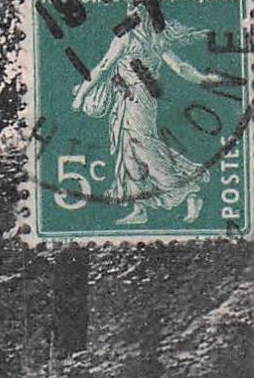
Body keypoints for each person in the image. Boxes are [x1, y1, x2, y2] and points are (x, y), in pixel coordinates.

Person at [72, 22, 213, 226]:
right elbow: (180, 67)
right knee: (128, 149)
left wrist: (81, 95)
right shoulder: (157, 38)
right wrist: (203, 78)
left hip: (135, 99)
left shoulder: (127, 37)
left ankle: (187, 190)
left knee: (143, 147)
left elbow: (103, 66)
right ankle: (140, 207)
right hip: (135, 98)